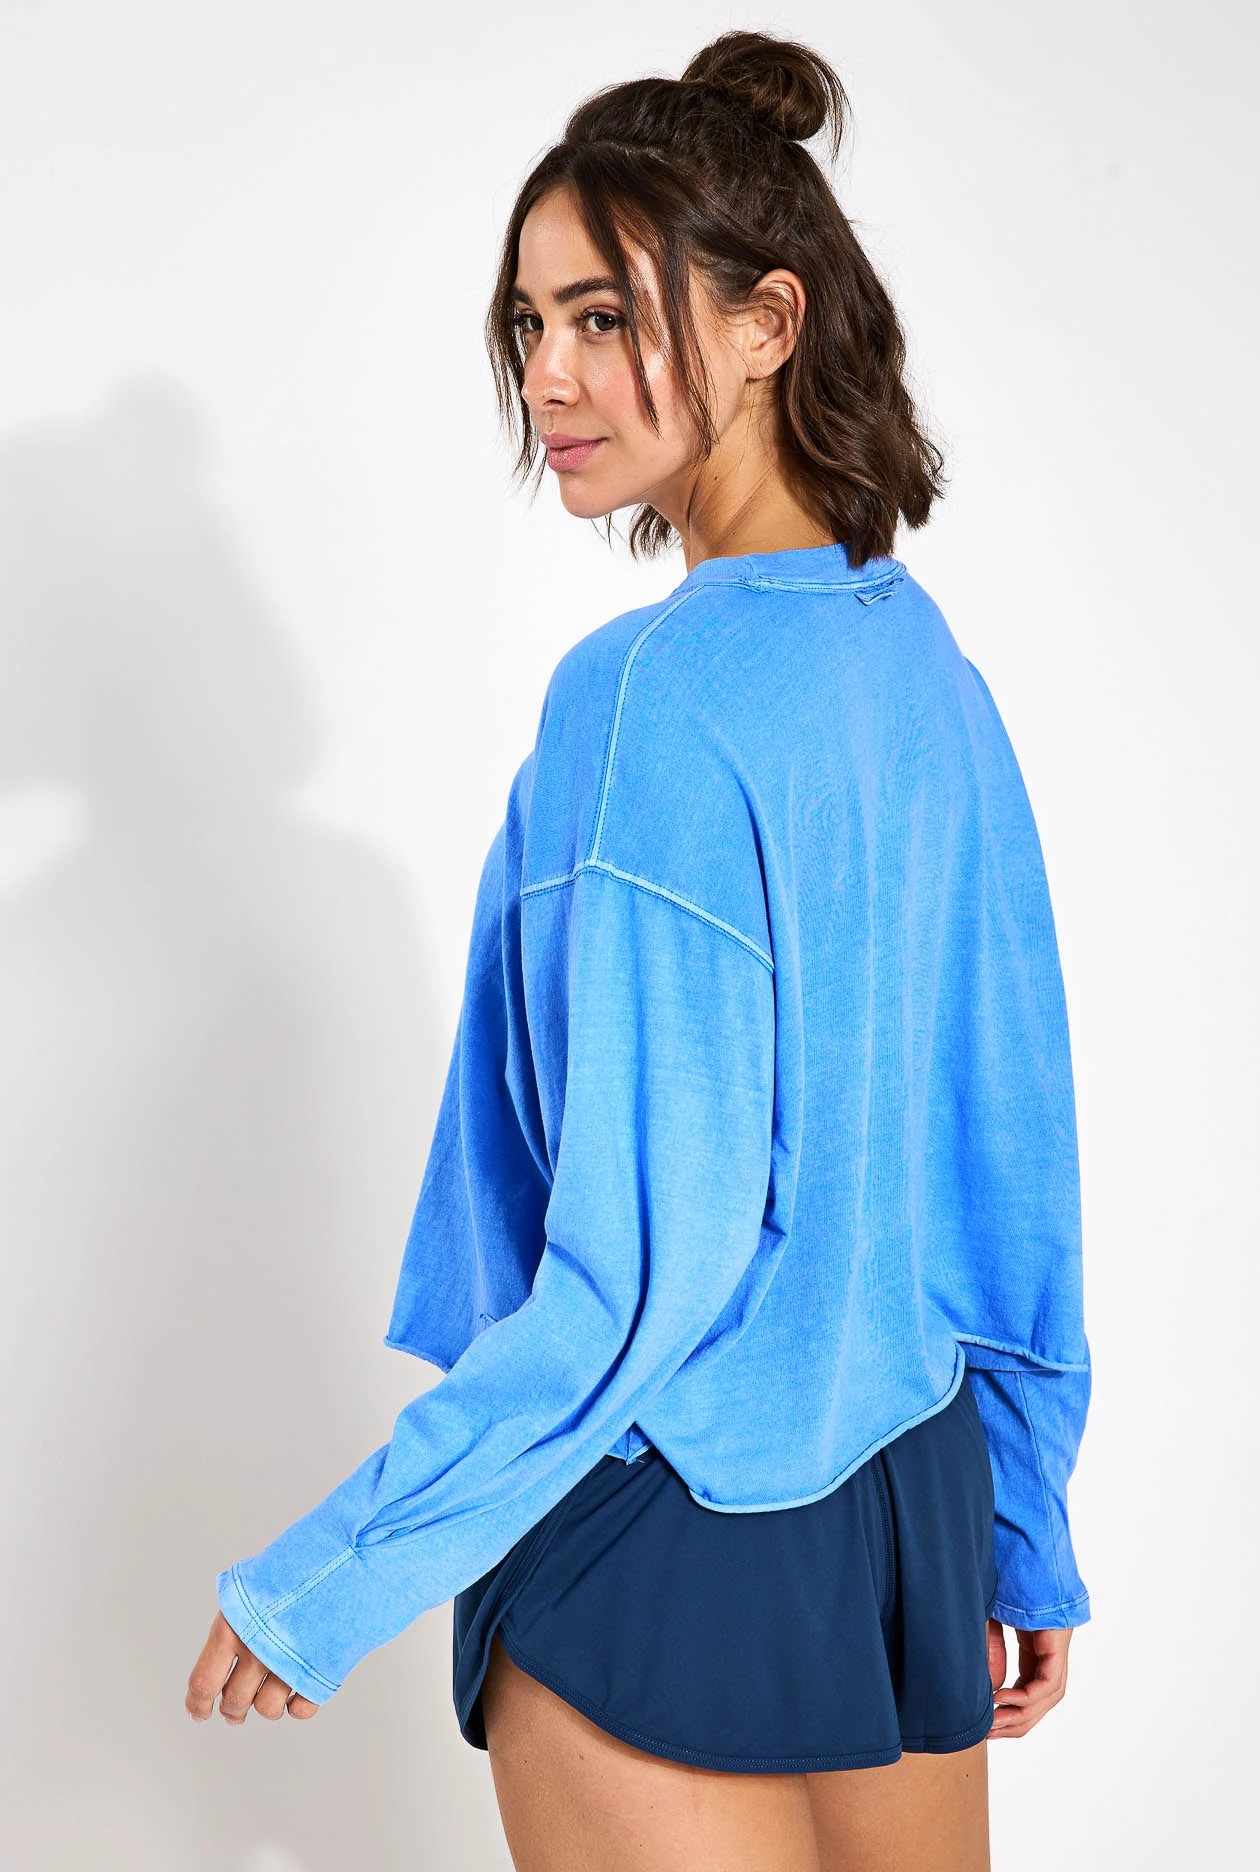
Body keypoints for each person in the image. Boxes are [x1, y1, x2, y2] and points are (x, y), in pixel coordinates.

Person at [186, 30, 1092, 1872]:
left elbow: (641, 1273)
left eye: (604, 318)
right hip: (908, 1502)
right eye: (530, 326)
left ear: (769, 323)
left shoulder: (647, 701)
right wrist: (1017, 1518)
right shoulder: (929, 672)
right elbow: (1008, 1163)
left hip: (661, 1514)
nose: (550, 375)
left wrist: (336, 1572)